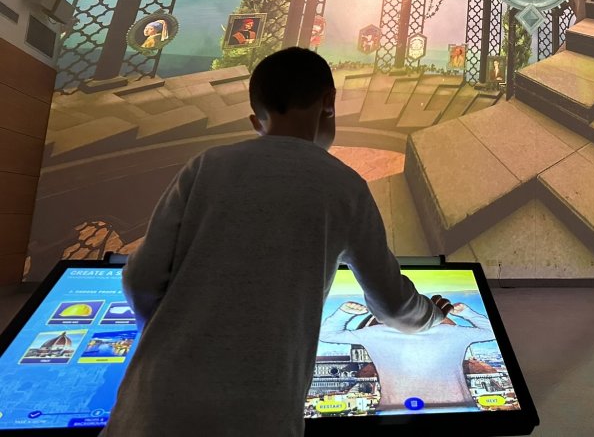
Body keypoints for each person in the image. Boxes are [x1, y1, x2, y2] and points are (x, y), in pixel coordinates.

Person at [101, 47, 452, 437]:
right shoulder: (345, 186)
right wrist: (432, 315)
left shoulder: (205, 165)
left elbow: (141, 278)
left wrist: (173, 330)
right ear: (329, 102)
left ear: (256, 120)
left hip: (152, 403)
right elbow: (393, 305)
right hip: (259, 411)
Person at [318, 298, 495, 411]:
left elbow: (493, 332)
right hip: (398, 411)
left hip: (456, 410)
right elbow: (326, 335)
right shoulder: (377, 332)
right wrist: (344, 313)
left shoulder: (450, 331)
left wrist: (467, 312)